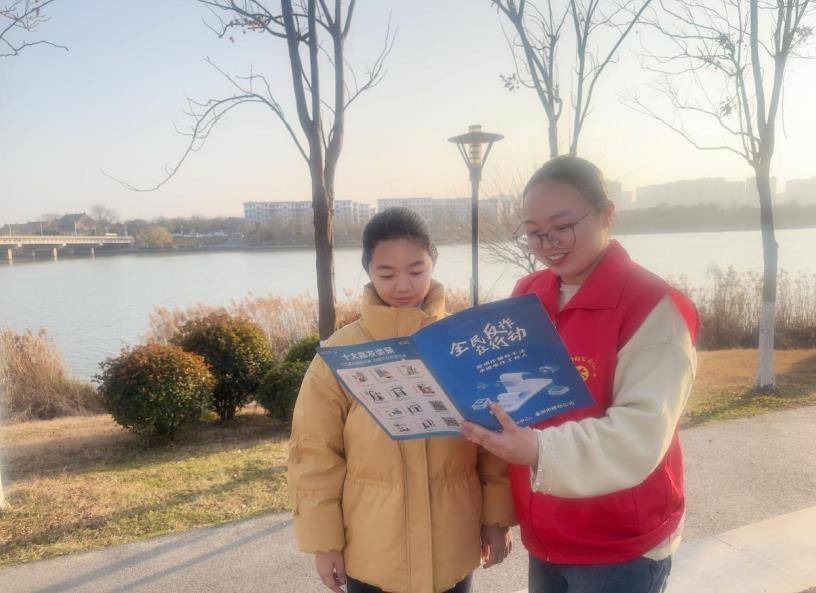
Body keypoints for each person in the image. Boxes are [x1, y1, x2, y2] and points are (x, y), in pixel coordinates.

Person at [460, 156, 699, 593]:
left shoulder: (653, 309)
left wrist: (536, 449)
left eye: (562, 226)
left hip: (620, 544)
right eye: (534, 231)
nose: (548, 243)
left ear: (606, 214)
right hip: (547, 533)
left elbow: (639, 434)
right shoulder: (529, 294)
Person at [288, 207, 516, 593]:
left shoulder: (463, 344)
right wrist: (325, 544)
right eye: (387, 274)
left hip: (452, 548)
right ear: (368, 270)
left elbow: (493, 440)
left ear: (433, 263)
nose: (403, 285)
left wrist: (497, 519)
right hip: (372, 553)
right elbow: (314, 454)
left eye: (416, 270)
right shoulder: (340, 353)